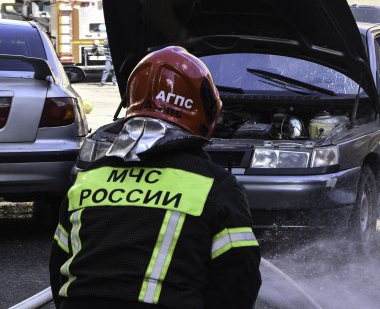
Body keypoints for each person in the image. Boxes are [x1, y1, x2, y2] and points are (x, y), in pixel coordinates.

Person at [50, 46, 261, 309]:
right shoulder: (215, 186)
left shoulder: (88, 178)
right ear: (203, 108)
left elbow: (59, 266)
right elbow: (239, 280)